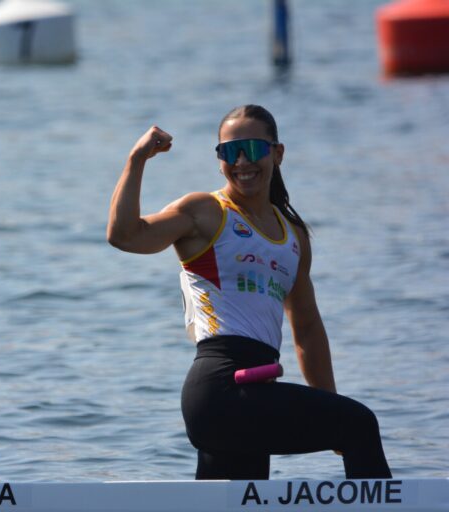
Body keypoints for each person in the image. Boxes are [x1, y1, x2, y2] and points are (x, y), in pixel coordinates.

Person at [107, 105, 391, 480]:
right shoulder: (203, 211)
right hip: (219, 390)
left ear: (278, 153)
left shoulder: (294, 236)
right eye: (229, 152)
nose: (242, 161)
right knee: (359, 424)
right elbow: (125, 235)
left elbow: (306, 328)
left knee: (241, 500)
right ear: (219, 159)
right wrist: (137, 158)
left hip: (255, 395)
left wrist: (329, 402)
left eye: (254, 149)